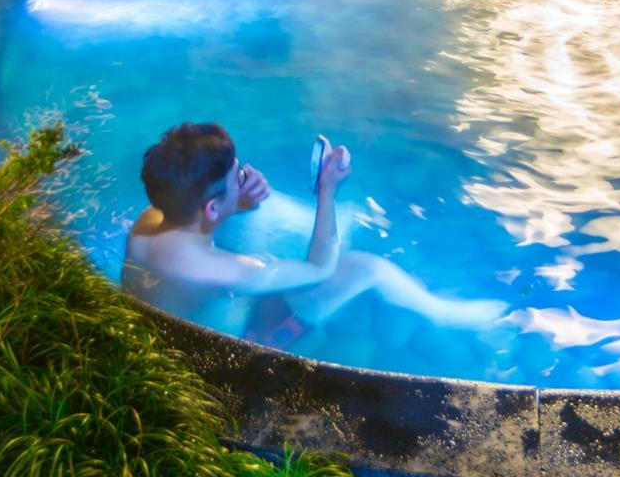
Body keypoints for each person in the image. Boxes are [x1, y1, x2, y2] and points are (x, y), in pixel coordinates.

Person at [121, 123, 506, 349]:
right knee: (367, 268)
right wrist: (327, 191)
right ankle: (444, 314)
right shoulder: (236, 271)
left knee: (267, 209)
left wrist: (240, 203)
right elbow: (320, 268)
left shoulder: (147, 221)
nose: (246, 174)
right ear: (209, 208)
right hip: (240, 341)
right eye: (238, 176)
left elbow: (209, 224)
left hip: (176, 319)